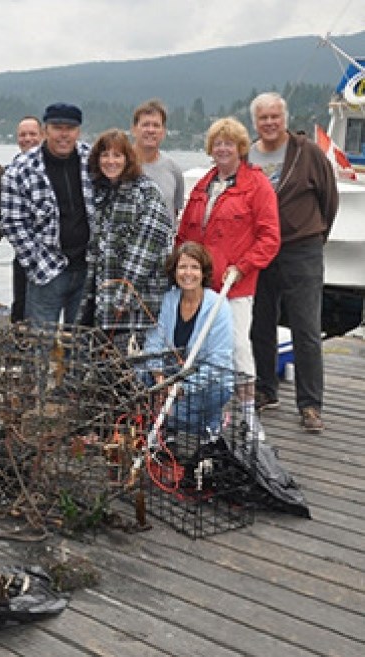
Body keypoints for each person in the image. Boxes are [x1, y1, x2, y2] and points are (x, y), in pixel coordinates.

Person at [177, 116, 280, 438]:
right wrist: (182, 269)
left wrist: (244, 266)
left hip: (235, 287)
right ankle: (213, 416)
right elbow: (185, 235)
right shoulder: (203, 184)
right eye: (217, 143)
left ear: (240, 148)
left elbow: (269, 237)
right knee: (204, 351)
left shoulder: (256, 184)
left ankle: (249, 418)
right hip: (200, 287)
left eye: (229, 143)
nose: (222, 149)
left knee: (237, 348)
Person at [248, 92, 338, 434]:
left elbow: (328, 199)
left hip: (302, 249)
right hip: (261, 250)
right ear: (255, 122)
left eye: (275, 116)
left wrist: (311, 234)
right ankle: (265, 390)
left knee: (306, 329)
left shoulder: (308, 153)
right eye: (263, 118)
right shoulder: (248, 155)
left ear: (284, 118)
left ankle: (310, 404)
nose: (269, 123)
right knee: (261, 324)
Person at [77, 129, 172, 352]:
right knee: (99, 368)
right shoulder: (100, 194)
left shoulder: (146, 193)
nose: (111, 161)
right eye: (105, 155)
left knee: (127, 371)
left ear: (128, 159)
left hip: (134, 307)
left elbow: (144, 254)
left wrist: (121, 301)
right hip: (100, 302)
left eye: (117, 156)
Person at [0, 103, 95, 325]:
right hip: (47, 271)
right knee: (40, 346)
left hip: (86, 269)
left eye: (70, 128)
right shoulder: (20, 169)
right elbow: (13, 224)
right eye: (57, 128)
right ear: (45, 131)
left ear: (78, 131)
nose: (63, 134)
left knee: (80, 345)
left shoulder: (92, 161)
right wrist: (39, 265)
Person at [144, 241, 234, 435]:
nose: (188, 273)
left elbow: (218, 361)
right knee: (138, 379)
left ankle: (210, 422)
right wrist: (160, 380)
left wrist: (181, 389)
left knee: (168, 416)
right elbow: (153, 342)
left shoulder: (219, 307)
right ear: (174, 271)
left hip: (207, 382)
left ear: (203, 272)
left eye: (194, 267)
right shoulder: (168, 299)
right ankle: (176, 421)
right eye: (182, 266)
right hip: (170, 376)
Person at [8, 115, 43, 322]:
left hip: (54, 254)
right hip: (23, 253)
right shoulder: (12, 170)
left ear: (43, 135)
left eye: (32, 134)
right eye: (23, 134)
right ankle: (20, 348)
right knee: (21, 306)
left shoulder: (54, 167)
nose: (28, 138)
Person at [131, 99, 185, 229]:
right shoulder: (119, 166)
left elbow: (174, 212)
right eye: (145, 125)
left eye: (156, 125)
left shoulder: (173, 169)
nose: (151, 130)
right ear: (134, 130)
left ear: (163, 132)